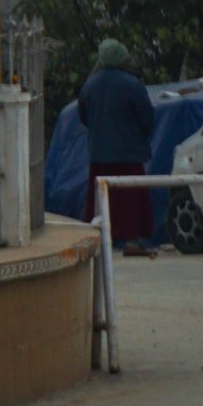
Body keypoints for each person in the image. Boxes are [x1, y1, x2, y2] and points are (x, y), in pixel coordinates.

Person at [79, 39, 158, 254]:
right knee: (130, 200)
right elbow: (147, 118)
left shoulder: (90, 85)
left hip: (99, 154)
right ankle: (131, 242)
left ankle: (98, 240)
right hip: (129, 154)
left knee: (101, 199)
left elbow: (83, 115)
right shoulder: (132, 84)